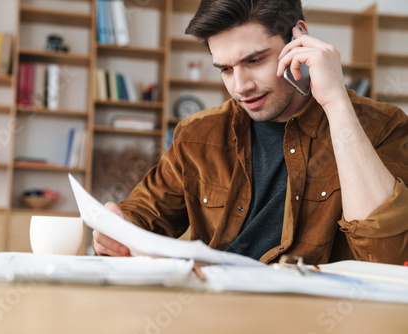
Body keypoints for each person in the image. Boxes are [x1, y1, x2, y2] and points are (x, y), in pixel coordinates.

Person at [93, 0, 408, 264]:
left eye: (255, 60)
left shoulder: (383, 126)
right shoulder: (197, 134)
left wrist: (336, 102)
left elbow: (387, 256)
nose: (240, 87)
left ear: (300, 39)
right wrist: (118, 227)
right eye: (226, 69)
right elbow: (145, 216)